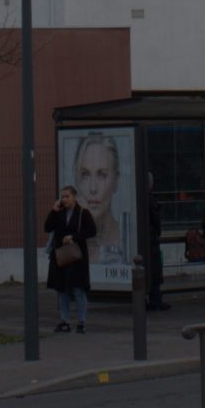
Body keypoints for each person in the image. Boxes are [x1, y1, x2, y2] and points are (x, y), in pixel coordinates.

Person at [43, 186, 98, 334]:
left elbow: (92, 230)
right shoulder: (59, 213)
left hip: (77, 256)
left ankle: (81, 321)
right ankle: (64, 321)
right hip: (61, 255)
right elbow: (47, 228)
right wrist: (53, 211)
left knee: (78, 289)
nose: (64, 199)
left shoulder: (82, 213)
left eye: (67, 196)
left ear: (74, 197)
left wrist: (74, 237)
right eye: (62, 197)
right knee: (62, 289)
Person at [72, 132, 125, 260]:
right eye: (85, 174)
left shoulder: (125, 239)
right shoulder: (70, 230)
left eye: (102, 175)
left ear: (116, 180)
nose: (93, 188)